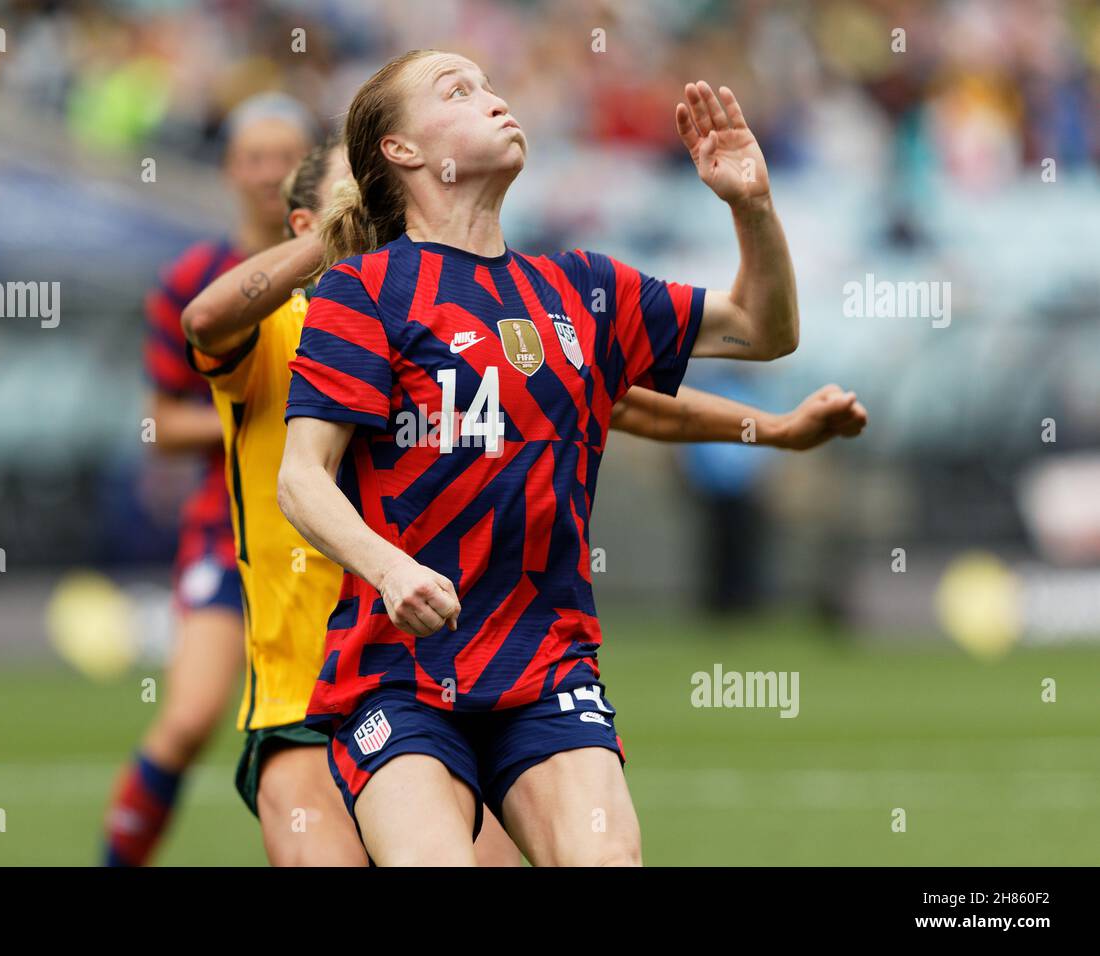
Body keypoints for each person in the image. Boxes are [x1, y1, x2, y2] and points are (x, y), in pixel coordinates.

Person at [194, 60, 863, 862]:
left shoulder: (581, 287)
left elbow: (763, 330)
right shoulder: (362, 295)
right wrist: (389, 569)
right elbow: (300, 479)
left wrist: (751, 205)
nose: (494, 97)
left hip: (546, 667)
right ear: (402, 149)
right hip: (399, 673)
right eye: (458, 91)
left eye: (488, 83)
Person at [101, 94, 314, 866]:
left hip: (329, 543)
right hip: (230, 534)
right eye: (252, 158)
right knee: (189, 719)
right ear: (228, 170)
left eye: (282, 156)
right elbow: (159, 425)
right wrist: (263, 409)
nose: (267, 174)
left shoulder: (348, 273)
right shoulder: (193, 280)